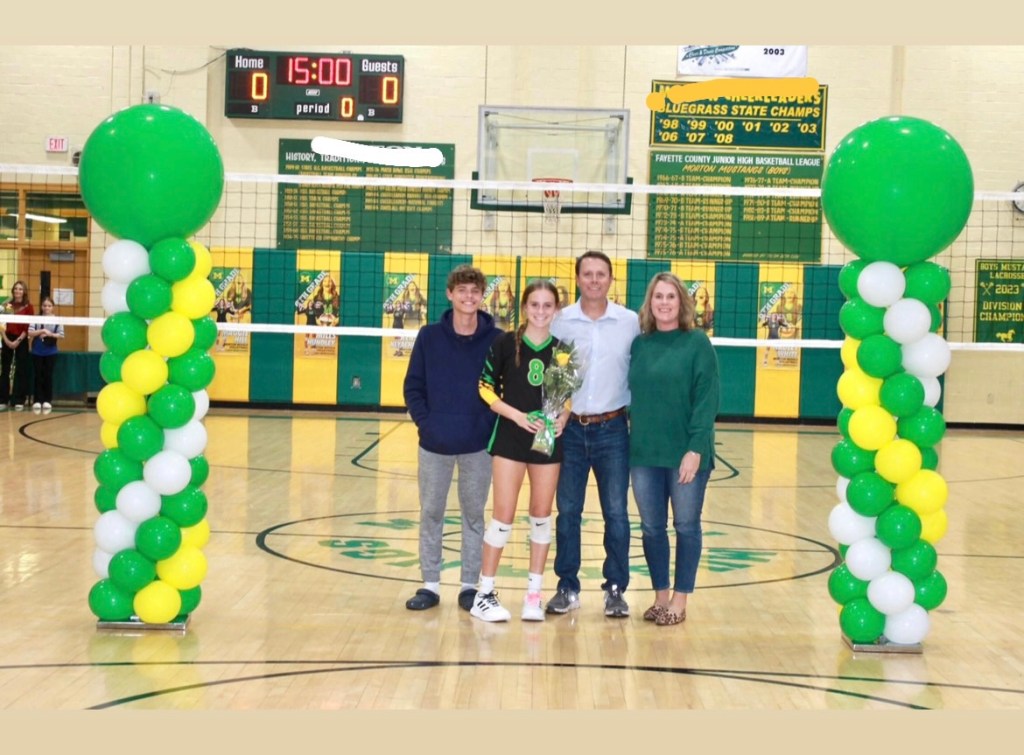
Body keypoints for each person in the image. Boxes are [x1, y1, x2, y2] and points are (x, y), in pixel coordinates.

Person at [403, 265, 501, 614]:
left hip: (478, 446)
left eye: (474, 291)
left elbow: (503, 389)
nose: (468, 297)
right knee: (431, 512)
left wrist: (486, 425)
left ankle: (469, 585)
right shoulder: (429, 337)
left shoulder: (497, 339)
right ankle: (430, 584)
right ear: (450, 294)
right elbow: (413, 386)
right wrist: (426, 424)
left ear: (482, 296)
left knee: (474, 515)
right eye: (462, 290)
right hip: (435, 444)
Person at [547, 251, 640, 618]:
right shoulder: (561, 321)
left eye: (601, 274)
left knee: (616, 512)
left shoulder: (630, 322)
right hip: (569, 429)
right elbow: (550, 375)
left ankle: (615, 588)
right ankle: (567, 586)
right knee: (568, 511)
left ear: (611, 279)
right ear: (578, 279)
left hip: (613, 429)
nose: (595, 280)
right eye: (588, 274)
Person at [472, 280, 568, 622]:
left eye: (547, 305)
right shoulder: (503, 343)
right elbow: (484, 388)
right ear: (524, 307)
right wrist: (516, 415)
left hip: (545, 439)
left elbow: (566, 397)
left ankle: (533, 596)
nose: (540, 311)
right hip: (511, 437)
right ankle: (484, 594)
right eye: (534, 305)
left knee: (541, 515)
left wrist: (563, 419)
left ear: (556, 310)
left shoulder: (562, 350)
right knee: (503, 516)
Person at [628, 272, 719, 626]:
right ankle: (660, 597)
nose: (664, 303)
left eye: (670, 297)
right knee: (651, 528)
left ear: (682, 302)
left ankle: (680, 601)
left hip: (685, 453)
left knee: (685, 525)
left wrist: (695, 449)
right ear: (649, 303)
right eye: (658, 297)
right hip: (645, 453)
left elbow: (707, 399)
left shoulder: (697, 343)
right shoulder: (640, 344)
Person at [1, 280, 34, 411]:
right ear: (13, 290)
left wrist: (18, 341)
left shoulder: (28, 307)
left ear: (24, 291)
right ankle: (3, 399)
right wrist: (6, 340)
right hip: (7, 337)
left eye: (20, 289)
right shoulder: (7, 305)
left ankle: (18, 399)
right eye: (16, 288)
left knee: (21, 369)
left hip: (21, 339)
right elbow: (2, 324)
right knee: (5, 369)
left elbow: (27, 327)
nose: (17, 291)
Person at [28, 296, 64, 413]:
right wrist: (42, 331)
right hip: (37, 351)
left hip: (51, 351)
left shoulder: (57, 320)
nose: (46, 308)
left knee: (48, 375)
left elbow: (61, 335)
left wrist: (50, 334)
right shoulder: (36, 319)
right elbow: (30, 332)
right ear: (41, 307)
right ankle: (37, 400)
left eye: (49, 306)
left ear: (53, 307)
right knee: (38, 375)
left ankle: (47, 400)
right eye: (44, 305)